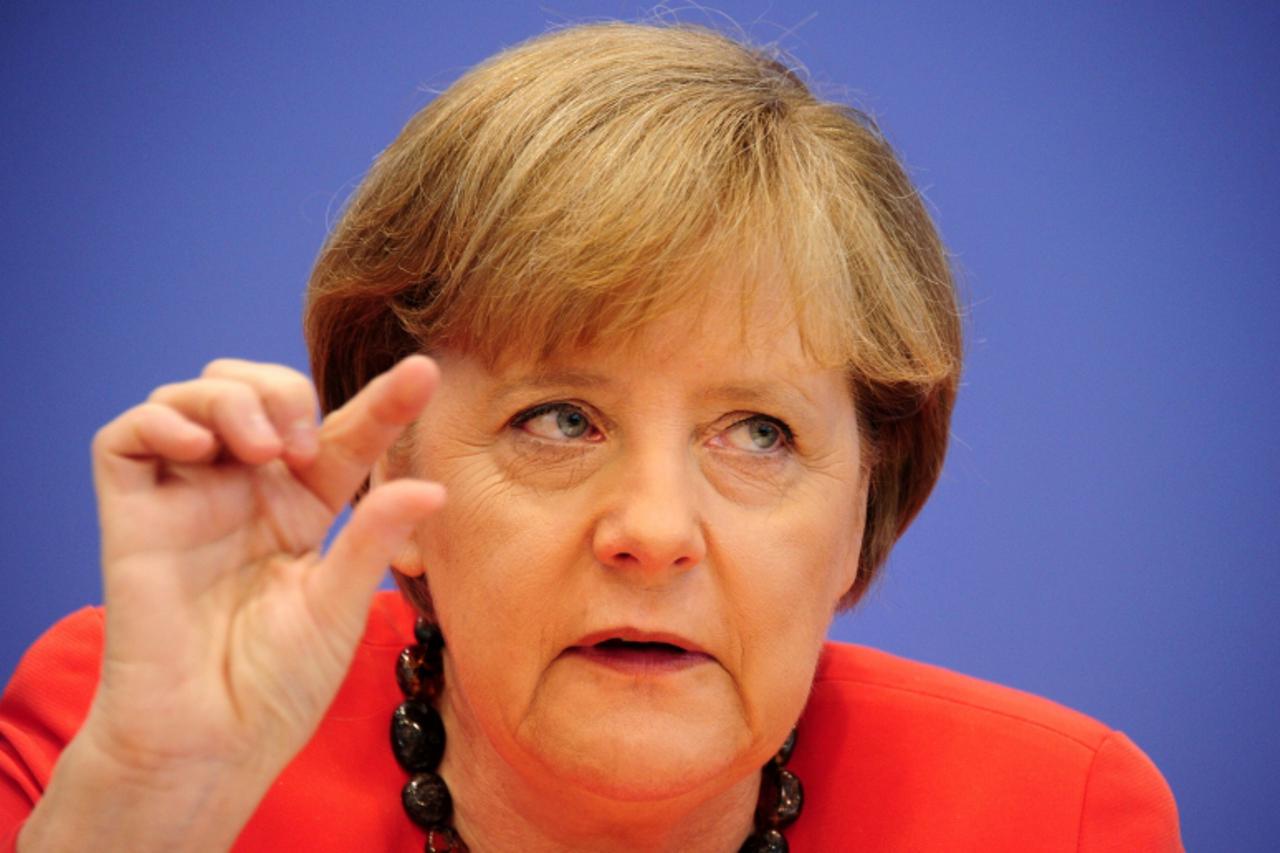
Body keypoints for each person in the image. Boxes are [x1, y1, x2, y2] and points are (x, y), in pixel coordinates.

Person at [0, 21, 1181, 852]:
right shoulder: (121, 723)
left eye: (757, 433)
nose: (654, 530)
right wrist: (142, 808)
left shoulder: (1051, 816)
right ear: (392, 470)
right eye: (559, 419)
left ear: (864, 513)